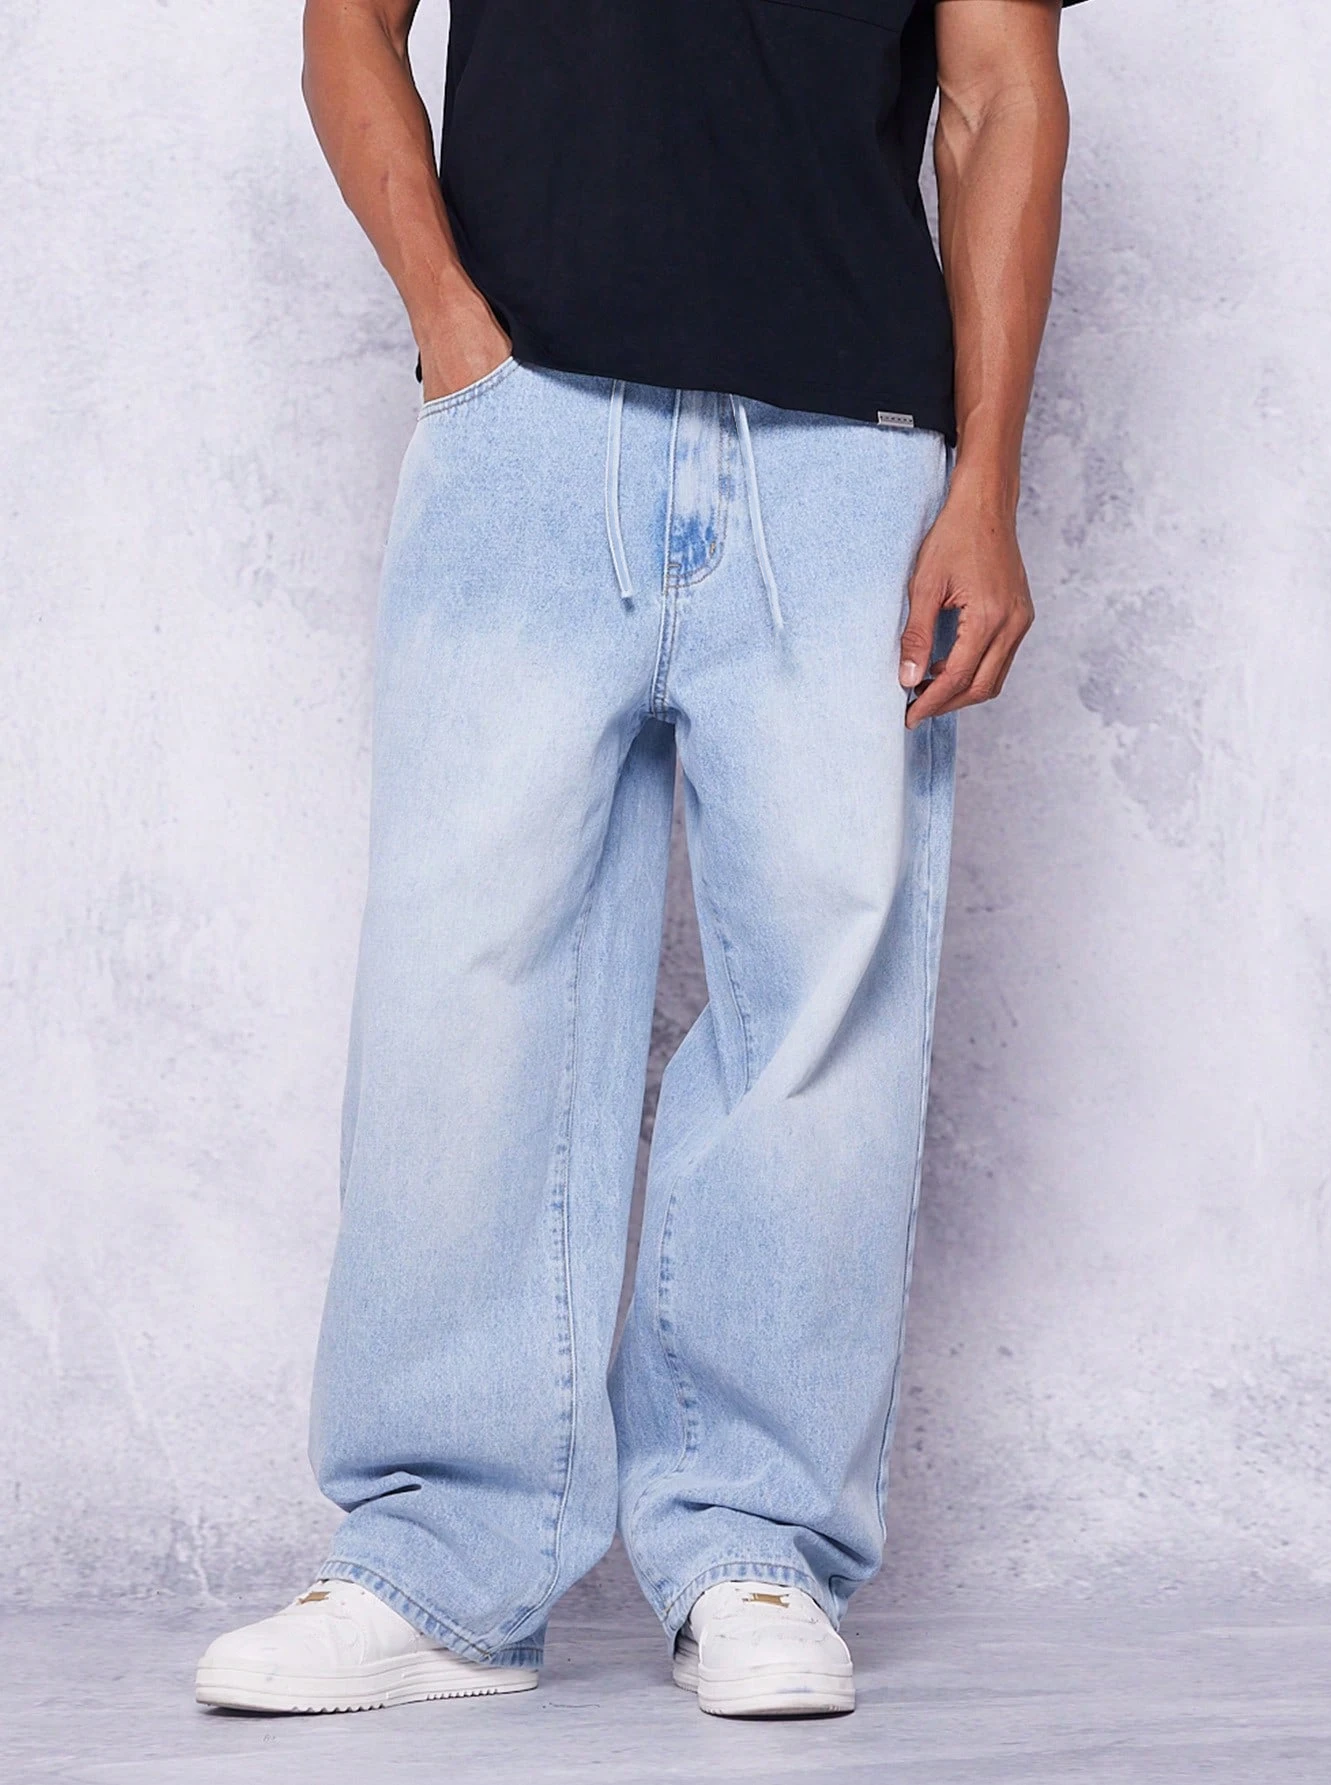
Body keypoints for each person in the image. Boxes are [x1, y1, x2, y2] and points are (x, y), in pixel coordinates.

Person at [196, 0, 1081, 1721]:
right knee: (461, 989)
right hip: (527, 429)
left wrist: (987, 487)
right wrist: (452, 332)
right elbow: (347, 22)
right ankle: (438, 1563)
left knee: (823, 1007)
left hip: (848, 460)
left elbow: (999, 93)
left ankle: (754, 1544)